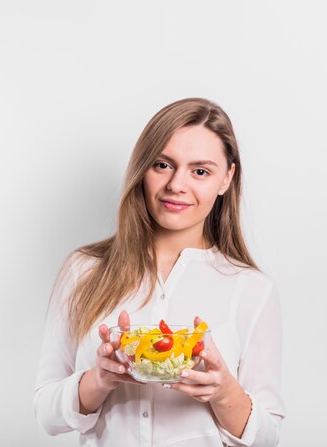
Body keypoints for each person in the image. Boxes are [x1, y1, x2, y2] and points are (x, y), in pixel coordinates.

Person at [33, 98, 285, 447]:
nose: (176, 185)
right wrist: (100, 379)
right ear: (142, 168)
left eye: (200, 171)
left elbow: (267, 438)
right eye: (163, 164)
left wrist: (224, 391)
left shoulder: (252, 289)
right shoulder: (83, 271)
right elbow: (47, 414)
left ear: (226, 178)